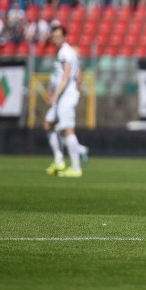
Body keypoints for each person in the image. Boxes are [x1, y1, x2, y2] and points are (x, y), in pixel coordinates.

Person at [43, 23, 88, 178]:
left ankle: (76, 167)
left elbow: (66, 75)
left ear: (64, 37)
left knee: (67, 129)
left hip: (65, 96)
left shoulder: (65, 53)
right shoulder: (64, 52)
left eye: (58, 36)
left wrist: (55, 95)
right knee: (48, 124)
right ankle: (59, 160)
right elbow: (76, 70)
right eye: (53, 36)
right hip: (62, 95)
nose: (55, 38)